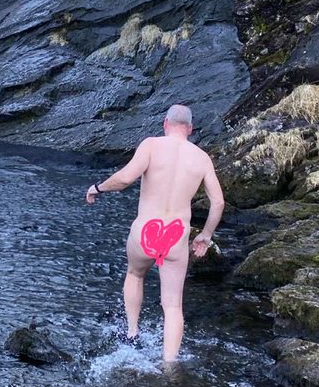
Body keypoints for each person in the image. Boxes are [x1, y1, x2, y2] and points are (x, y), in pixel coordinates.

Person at [85, 104, 225, 363]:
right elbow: (217, 203)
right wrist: (205, 236)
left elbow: (126, 178)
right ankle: (169, 366)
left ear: (165, 124)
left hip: (145, 232)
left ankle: (132, 334)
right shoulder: (202, 158)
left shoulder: (151, 145)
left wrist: (98, 188)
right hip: (175, 238)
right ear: (190, 129)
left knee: (135, 274)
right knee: (172, 306)